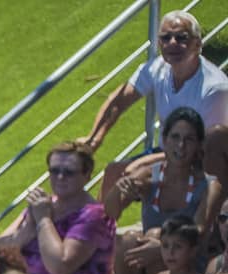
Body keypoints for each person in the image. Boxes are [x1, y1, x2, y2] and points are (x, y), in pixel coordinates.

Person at [104, 107, 221, 274]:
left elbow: (199, 230)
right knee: (126, 241)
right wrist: (118, 189)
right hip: (151, 262)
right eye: (175, 137)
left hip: (190, 263)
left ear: (199, 145)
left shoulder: (209, 185)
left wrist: (162, 248)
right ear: (164, 140)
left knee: (155, 235)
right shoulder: (150, 177)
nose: (181, 146)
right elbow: (111, 213)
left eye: (189, 139)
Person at [86, 12, 228, 183]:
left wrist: (146, 163)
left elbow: (205, 149)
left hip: (200, 163)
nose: (172, 43)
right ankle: (94, 212)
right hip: (168, 152)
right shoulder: (157, 67)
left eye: (181, 38)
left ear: (197, 44)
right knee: (113, 172)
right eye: (166, 38)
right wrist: (95, 138)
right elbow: (119, 100)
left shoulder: (214, 89)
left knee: (131, 174)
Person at [0, 142, 114, 274]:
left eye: (69, 172)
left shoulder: (94, 216)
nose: (60, 177)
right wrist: (26, 232)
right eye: (54, 171)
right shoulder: (44, 204)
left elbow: (59, 266)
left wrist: (43, 221)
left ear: (87, 175)